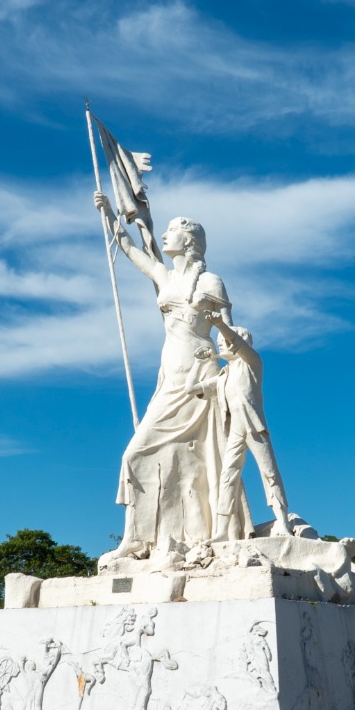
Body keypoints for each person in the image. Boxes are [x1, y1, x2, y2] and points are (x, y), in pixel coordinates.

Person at [94, 193, 248, 562]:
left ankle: (202, 535)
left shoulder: (210, 281)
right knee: (136, 453)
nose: (164, 237)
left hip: (199, 374)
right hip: (170, 371)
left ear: (189, 241)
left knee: (201, 459)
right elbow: (129, 248)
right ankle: (136, 538)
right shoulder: (164, 275)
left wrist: (233, 370)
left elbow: (230, 335)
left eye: (171, 233)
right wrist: (109, 213)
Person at [202, 312, 290, 539]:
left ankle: (283, 522)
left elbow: (237, 344)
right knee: (227, 476)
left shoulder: (252, 362)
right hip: (236, 430)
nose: (223, 345)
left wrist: (220, 324)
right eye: (221, 343)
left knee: (269, 473)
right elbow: (198, 388)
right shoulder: (223, 376)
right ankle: (222, 531)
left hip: (254, 426)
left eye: (225, 342)